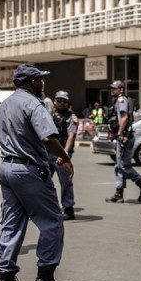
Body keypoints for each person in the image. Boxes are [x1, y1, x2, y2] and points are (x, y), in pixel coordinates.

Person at [0, 65, 74, 281]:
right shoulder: (33, 104)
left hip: (7, 168)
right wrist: (65, 157)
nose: (43, 84)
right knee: (52, 221)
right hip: (28, 170)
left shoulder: (5, 104)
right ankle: (45, 280)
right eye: (40, 80)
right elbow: (48, 138)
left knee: (11, 224)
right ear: (33, 83)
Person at [105, 79, 141, 203]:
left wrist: (120, 134)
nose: (112, 90)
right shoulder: (117, 100)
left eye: (114, 88)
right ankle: (119, 193)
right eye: (111, 88)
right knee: (118, 165)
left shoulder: (121, 100)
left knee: (124, 166)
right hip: (121, 137)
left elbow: (124, 117)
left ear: (121, 90)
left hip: (125, 137)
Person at [52, 90, 79, 220]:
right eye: (59, 100)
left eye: (64, 101)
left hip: (62, 152)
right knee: (42, 180)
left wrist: (63, 154)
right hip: (49, 152)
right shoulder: (50, 114)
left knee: (65, 181)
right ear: (54, 101)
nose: (61, 103)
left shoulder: (71, 117)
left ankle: (68, 209)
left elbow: (71, 136)